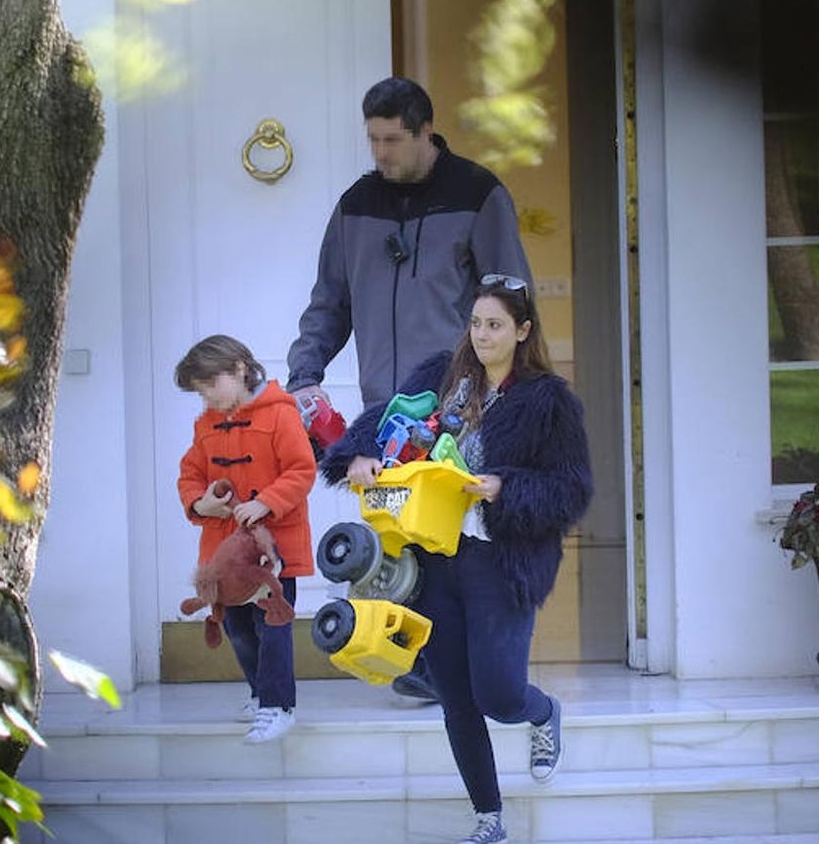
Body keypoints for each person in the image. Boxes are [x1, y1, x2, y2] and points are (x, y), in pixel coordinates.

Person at [318, 276, 592, 844]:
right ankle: (488, 818)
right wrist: (359, 456)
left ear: (523, 330)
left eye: (495, 325)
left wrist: (504, 486)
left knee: (498, 692)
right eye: (476, 323)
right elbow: (383, 420)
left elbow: (572, 489)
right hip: (430, 560)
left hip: (499, 561)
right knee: (454, 695)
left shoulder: (549, 400)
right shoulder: (442, 377)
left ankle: (541, 714)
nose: (483, 334)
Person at [286, 75, 534, 702]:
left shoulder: (479, 194)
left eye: (393, 140)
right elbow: (329, 303)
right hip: (386, 409)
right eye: (373, 140)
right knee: (398, 536)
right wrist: (304, 376)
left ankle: (479, 668)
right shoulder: (355, 206)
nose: (381, 154)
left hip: (460, 402)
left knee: (458, 535)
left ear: (427, 131)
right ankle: (424, 665)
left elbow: (509, 296)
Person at [175, 335, 317, 745]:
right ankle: (260, 692)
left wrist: (266, 503)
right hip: (225, 552)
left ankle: (278, 706)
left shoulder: (279, 415)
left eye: (210, 385)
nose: (207, 398)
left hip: (272, 551)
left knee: (272, 624)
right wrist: (200, 504)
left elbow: (300, 470)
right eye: (200, 392)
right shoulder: (205, 424)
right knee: (236, 625)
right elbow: (190, 475)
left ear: (239, 368)